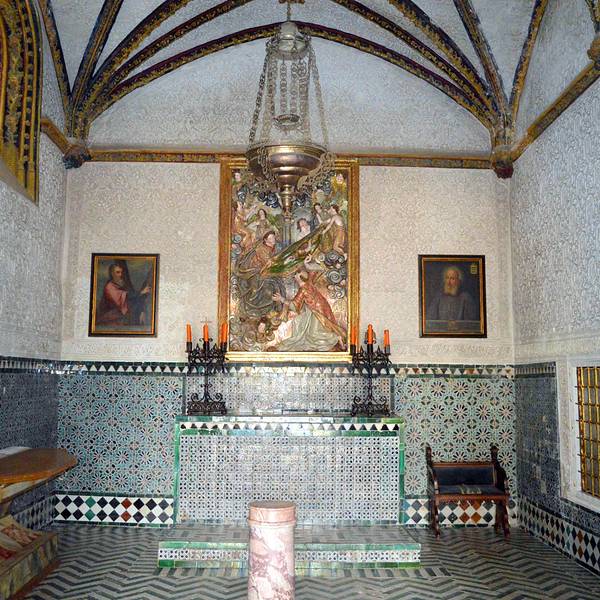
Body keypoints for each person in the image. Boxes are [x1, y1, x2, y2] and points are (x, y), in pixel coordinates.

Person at [271, 271, 346, 351]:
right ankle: (336, 338)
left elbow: (295, 305)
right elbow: (314, 273)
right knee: (300, 323)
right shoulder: (309, 284)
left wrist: (281, 299)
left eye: (296, 275)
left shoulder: (303, 289)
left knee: (314, 333)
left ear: (299, 278)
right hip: (320, 309)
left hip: (316, 313)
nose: (295, 277)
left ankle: (336, 338)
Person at [235, 231, 285, 319]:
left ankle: (274, 308)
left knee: (276, 283)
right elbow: (268, 263)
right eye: (271, 238)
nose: (273, 239)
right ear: (265, 240)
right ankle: (253, 307)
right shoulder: (261, 249)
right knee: (260, 287)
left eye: (273, 237)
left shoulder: (274, 247)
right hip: (254, 272)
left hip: (265, 271)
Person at [97, 262, 151, 326]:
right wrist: (141, 292)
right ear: (112, 273)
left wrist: (141, 310)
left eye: (121, 272)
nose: (120, 275)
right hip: (110, 316)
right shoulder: (109, 287)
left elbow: (131, 299)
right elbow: (126, 297)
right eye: (118, 272)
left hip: (120, 313)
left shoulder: (120, 284)